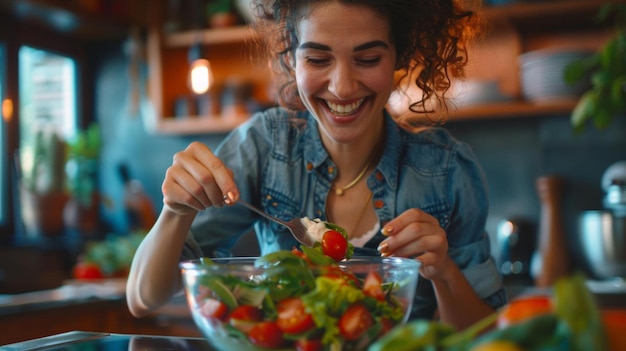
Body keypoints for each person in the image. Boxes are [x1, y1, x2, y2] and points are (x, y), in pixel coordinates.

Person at [126, 0, 506, 331]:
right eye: (318, 59)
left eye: (368, 59)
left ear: (399, 56)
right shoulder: (263, 147)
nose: (341, 87)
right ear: (293, 58)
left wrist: (443, 272)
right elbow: (143, 300)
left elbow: (487, 336)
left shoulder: (447, 168)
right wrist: (175, 211)